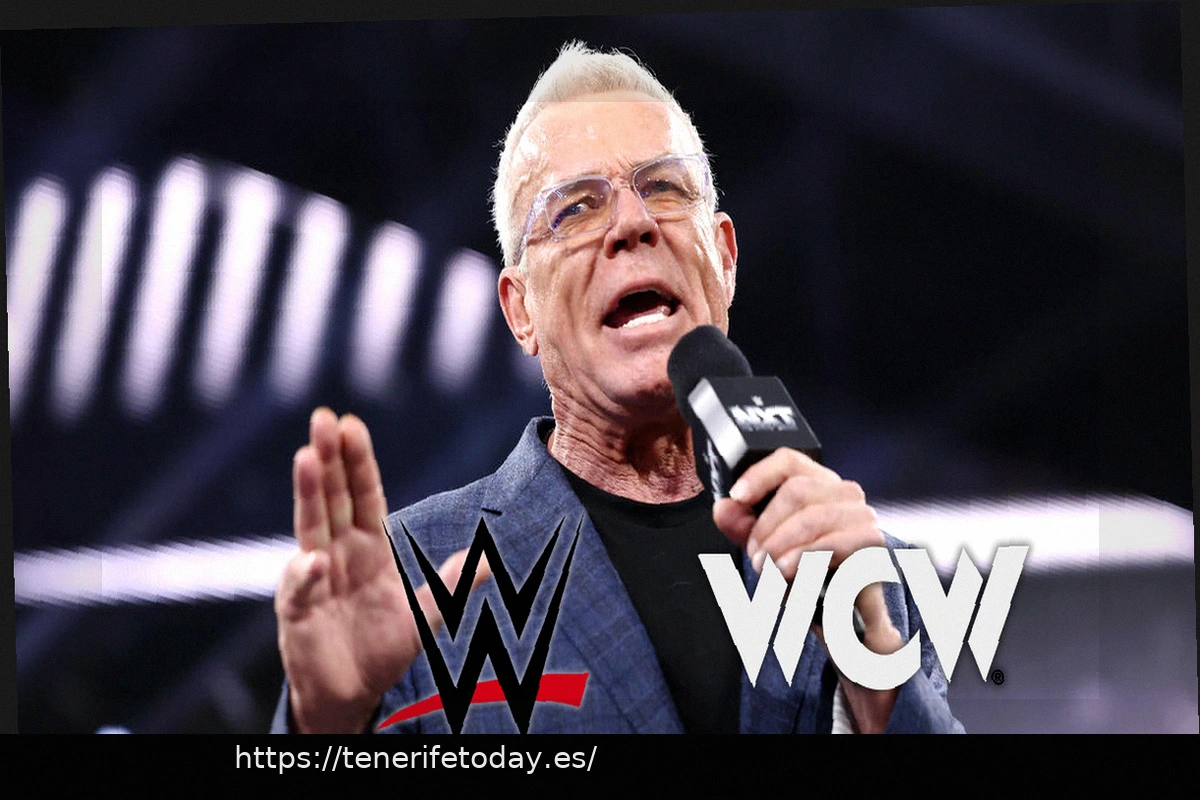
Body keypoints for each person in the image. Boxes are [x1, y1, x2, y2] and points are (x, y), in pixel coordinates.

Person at [272, 42, 963, 734]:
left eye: (664, 188)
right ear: (521, 310)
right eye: (575, 209)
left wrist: (873, 666)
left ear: (724, 257)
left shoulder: (871, 574)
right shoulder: (415, 575)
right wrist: (327, 723)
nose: (633, 223)